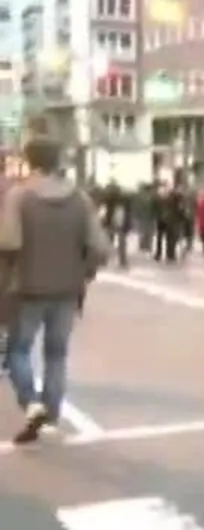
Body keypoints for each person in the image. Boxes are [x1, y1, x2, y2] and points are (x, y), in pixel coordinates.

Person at [0, 137, 111, 444]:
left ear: (30, 160)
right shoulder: (80, 199)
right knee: (57, 353)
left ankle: (31, 402)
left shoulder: (20, 197)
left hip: (27, 287)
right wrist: (84, 272)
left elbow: (9, 241)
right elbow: (100, 247)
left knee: (18, 350)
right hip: (67, 288)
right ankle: (52, 409)